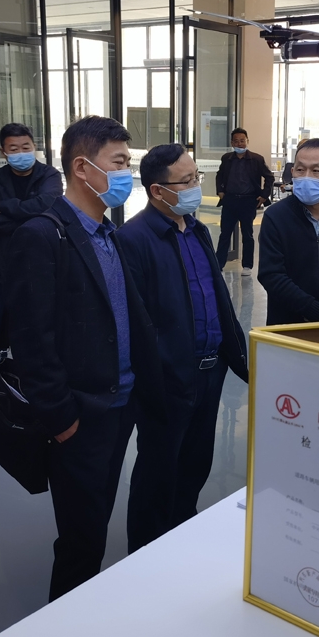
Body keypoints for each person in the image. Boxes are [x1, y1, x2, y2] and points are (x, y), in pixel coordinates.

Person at [5, 116, 163, 602]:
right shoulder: (42, 236)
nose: (126, 174)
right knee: (81, 539)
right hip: (80, 417)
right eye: (119, 163)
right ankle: (65, 626)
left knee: (97, 519)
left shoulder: (106, 233)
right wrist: (62, 418)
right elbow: (32, 339)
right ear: (81, 167)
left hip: (118, 406)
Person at [116, 143, 249, 552]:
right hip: (169, 378)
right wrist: (156, 375)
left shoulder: (196, 229)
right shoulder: (133, 239)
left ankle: (181, 541)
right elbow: (136, 322)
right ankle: (145, 553)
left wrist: (235, 355)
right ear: (158, 191)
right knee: (158, 472)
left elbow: (217, 297)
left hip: (210, 372)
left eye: (196, 178)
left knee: (195, 466)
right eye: (187, 181)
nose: (195, 187)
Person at [0, 123, 62, 426]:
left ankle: (35, 402)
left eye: (26, 147)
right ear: (3, 151)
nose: (21, 153)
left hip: (40, 275)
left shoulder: (50, 176)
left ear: (35, 147)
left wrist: (4, 208)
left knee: (37, 341)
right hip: (3, 274)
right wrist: (27, 216)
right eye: (13, 149)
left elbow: (49, 209)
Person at [258, 138, 319, 326]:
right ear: (292, 172)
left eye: (316, 171)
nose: (306, 177)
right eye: (300, 170)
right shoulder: (276, 216)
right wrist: (315, 311)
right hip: (288, 325)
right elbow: (271, 275)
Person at [214, 128, 273, 277]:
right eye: (236, 141)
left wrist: (264, 195)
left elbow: (269, 177)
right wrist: (220, 191)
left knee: (247, 234)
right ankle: (218, 264)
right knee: (225, 233)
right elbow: (219, 176)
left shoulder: (256, 159)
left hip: (248, 201)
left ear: (247, 141)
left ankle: (247, 265)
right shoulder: (226, 158)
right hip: (230, 200)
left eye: (242, 140)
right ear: (231, 143)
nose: (239, 143)